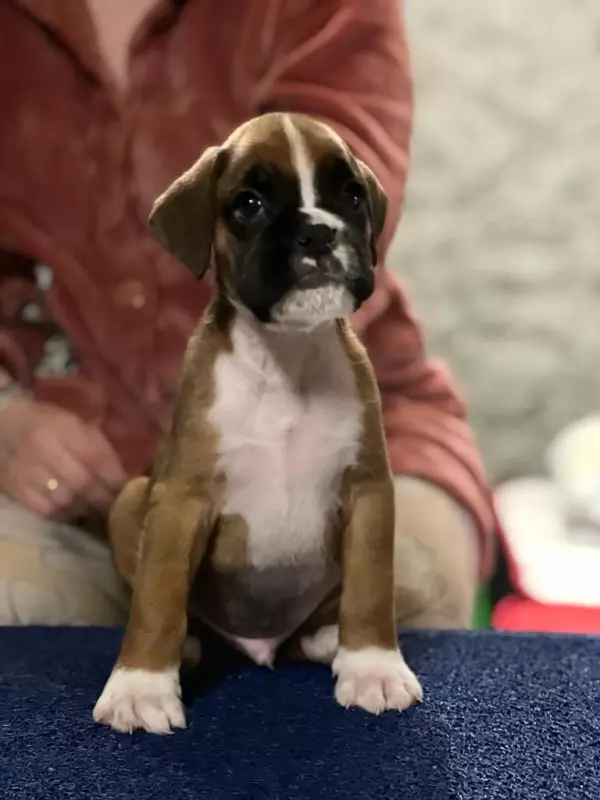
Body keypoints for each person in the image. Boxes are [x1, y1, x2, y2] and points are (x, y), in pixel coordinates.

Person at [0, 0, 495, 627]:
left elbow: (329, 241)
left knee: (393, 620)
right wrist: (6, 415)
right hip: (65, 463)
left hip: (339, 422)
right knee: (19, 615)